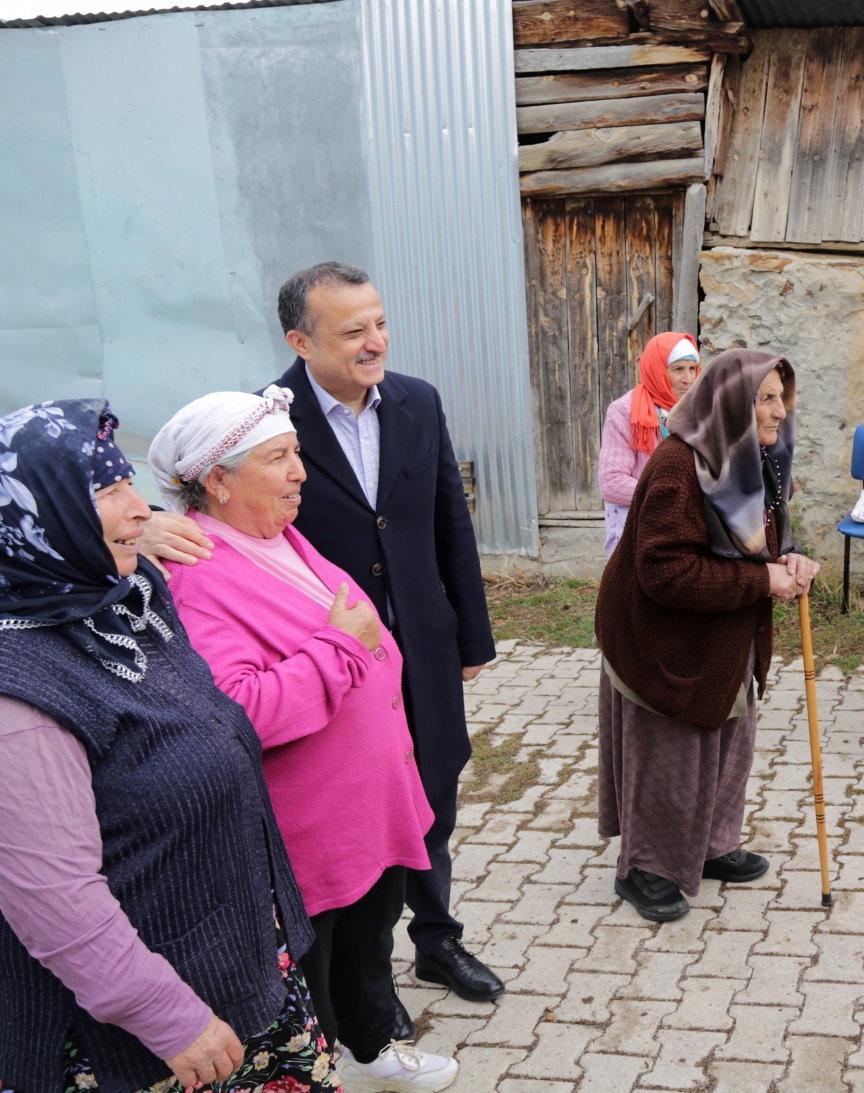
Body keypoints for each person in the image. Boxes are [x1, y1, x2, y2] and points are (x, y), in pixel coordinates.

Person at [139, 262, 502, 1022]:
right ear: (301, 340)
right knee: (359, 819)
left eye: (379, 322)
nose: (375, 341)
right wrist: (147, 527)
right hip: (327, 660)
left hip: (416, 645)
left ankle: (436, 936)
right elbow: (218, 521)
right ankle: (374, 994)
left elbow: (448, 522)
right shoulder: (257, 428)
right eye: (352, 330)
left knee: (428, 792)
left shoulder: (417, 401)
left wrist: (471, 631)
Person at [0, 400, 337, 1093]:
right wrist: (169, 1017)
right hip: (154, 1037)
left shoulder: (122, 598)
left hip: (235, 968)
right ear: (40, 517)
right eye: (106, 491)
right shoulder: (20, 695)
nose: (139, 510)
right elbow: (58, 901)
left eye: (132, 483)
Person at [147, 388, 458, 1093]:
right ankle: (321, 1074)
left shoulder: (282, 536)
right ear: (218, 480)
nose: (301, 473)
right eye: (279, 457)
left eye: (296, 454)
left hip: (367, 807)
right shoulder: (199, 574)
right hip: (309, 831)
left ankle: (372, 1048)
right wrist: (339, 648)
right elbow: (237, 710)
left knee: (371, 940)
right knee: (314, 974)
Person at [594, 349, 820, 922]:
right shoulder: (677, 466)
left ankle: (713, 846)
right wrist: (761, 579)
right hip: (661, 636)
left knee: (731, 743)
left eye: (781, 398)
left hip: (724, 631)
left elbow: (765, 538)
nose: (778, 412)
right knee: (672, 754)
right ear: (731, 406)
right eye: (765, 399)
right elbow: (665, 571)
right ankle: (646, 869)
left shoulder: (756, 459)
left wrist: (791, 561)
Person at [600, 331, 702, 555]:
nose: (688, 379)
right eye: (678, 369)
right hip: (635, 527)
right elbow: (612, 483)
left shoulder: (698, 412)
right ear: (658, 370)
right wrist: (673, 496)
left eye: (692, 368)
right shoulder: (624, 412)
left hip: (684, 525)